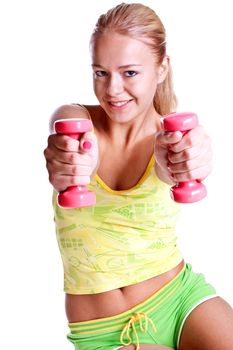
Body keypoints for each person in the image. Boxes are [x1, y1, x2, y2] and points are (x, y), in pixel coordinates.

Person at [44, 3, 233, 350]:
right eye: (101, 72)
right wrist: (71, 160)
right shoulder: (77, 125)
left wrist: (189, 161)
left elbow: (169, 164)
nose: (113, 89)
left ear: (161, 69)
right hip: (102, 331)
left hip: (180, 300)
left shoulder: (172, 139)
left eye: (129, 72)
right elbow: (76, 141)